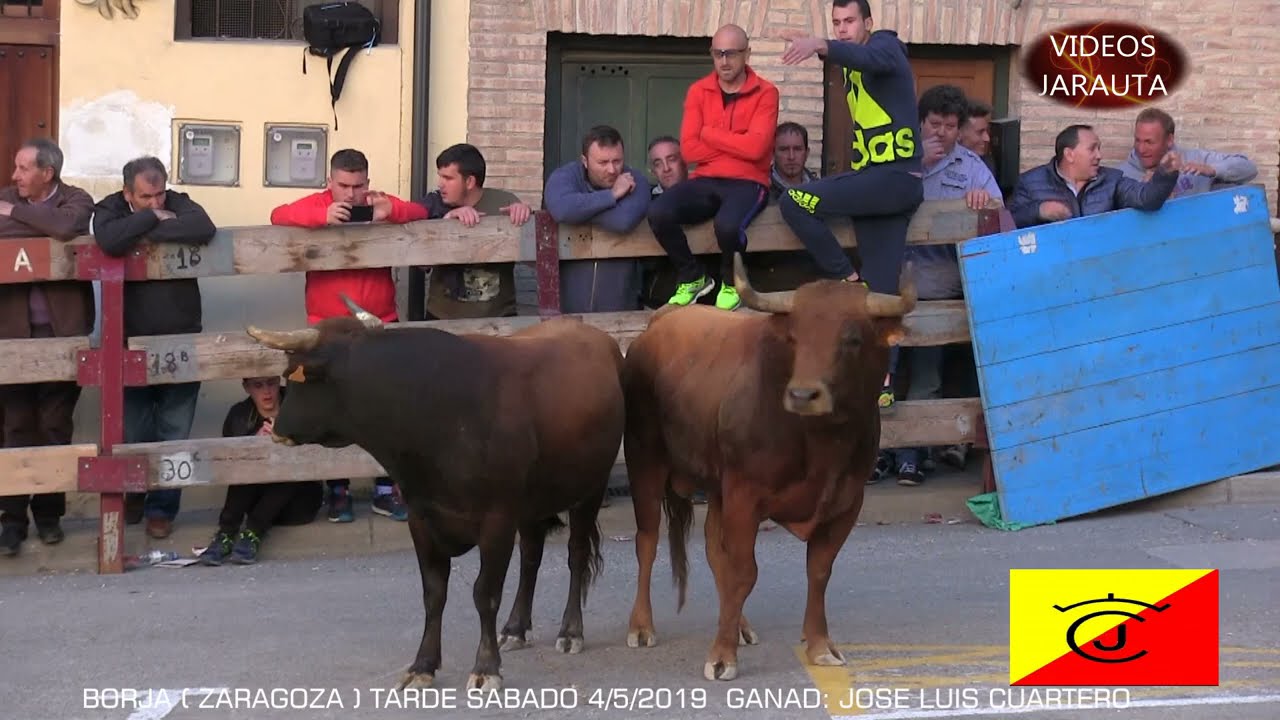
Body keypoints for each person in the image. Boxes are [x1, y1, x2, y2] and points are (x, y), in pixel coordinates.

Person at [777, 0, 924, 408]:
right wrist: (822, 47)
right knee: (880, 297)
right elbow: (855, 60)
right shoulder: (851, 60)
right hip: (880, 193)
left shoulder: (886, 46)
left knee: (793, 201)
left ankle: (846, 280)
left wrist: (821, 45)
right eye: (836, 23)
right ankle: (881, 384)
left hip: (893, 180)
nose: (842, 29)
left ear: (868, 23)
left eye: (849, 21)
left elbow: (870, 57)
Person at [269, 148, 418, 523]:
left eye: (358, 186)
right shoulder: (317, 204)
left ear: (368, 181)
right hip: (327, 330)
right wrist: (321, 218)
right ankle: (338, 491)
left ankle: (385, 489)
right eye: (343, 186)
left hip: (378, 325)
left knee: (385, 408)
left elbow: (420, 212)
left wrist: (392, 212)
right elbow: (278, 215)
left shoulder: (378, 201)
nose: (351, 194)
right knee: (330, 408)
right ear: (329, 182)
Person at [91, 156, 217, 538]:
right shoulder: (110, 208)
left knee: (174, 432)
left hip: (181, 337)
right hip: (129, 341)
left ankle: (162, 510)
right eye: (146, 197)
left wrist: (141, 227)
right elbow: (109, 239)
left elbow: (203, 227)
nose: (157, 202)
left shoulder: (179, 202)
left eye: (160, 194)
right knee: (133, 430)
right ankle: (134, 495)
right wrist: (152, 220)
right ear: (127, 193)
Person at [882, 85, 1001, 487]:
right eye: (935, 124)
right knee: (880, 375)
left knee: (926, 377)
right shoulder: (897, 153)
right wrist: (916, 164)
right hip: (888, 285)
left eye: (951, 126)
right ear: (921, 122)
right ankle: (877, 453)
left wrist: (983, 203)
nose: (943, 133)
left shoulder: (971, 168)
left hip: (937, 289)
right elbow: (871, 196)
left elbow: (999, 217)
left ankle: (911, 456)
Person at [0, 138, 94, 556]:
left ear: (47, 173)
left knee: (55, 427)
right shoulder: (6, 196)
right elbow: (53, 227)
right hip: (12, 336)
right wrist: (41, 221)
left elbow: (68, 227)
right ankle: (12, 521)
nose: (15, 176)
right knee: (15, 427)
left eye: (23, 168)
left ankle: (50, 516)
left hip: (63, 336)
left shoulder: (77, 199)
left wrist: (17, 215)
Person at [646, 23, 779, 311]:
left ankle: (731, 283)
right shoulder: (698, 91)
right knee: (658, 211)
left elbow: (757, 149)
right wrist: (739, 143)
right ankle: (693, 277)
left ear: (747, 54)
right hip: (706, 179)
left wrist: (709, 133)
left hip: (749, 182)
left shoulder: (766, 92)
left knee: (727, 226)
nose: (724, 61)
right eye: (718, 54)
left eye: (731, 53)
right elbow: (690, 150)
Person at [197, 376, 323, 565]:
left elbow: (316, 454)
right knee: (246, 465)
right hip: (256, 500)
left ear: (279, 382)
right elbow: (231, 463)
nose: (267, 391)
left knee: (287, 466)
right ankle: (226, 534)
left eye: (271, 383)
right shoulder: (239, 414)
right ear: (247, 388)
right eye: (258, 385)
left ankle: (253, 534)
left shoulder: (298, 407)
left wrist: (287, 440)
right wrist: (255, 443)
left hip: (298, 503)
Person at [416, 143, 533, 319]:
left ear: (469, 181)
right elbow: (421, 264)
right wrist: (446, 223)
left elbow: (535, 261)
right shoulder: (432, 205)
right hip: (442, 319)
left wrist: (525, 219)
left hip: (499, 321)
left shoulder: (505, 202)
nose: (440, 184)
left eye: (448, 178)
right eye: (440, 177)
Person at [543, 125, 651, 313]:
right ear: (585, 161)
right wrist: (612, 195)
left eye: (617, 161)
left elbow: (623, 220)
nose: (612, 169)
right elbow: (562, 209)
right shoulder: (565, 176)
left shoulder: (634, 180)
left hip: (620, 309)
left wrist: (579, 212)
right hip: (569, 310)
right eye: (602, 162)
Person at [1008, 124, 1181, 229]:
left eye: (1099, 148)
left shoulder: (1112, 181)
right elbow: (1009, 223)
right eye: (1092, 149)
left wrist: (1165, 174)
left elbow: (1146, 198)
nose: (1099, 155)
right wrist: (1039, 210)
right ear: (1069, 155)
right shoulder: (1030, 182)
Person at [1120, 107, 1257, 198]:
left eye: (1149, 142)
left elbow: (1249, 169)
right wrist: (1146, 192)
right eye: (1138, 140)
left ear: (1169, 140)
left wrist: (1212, 169)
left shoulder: (1195, 159)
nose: (1141, 149)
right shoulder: (1122, 175)